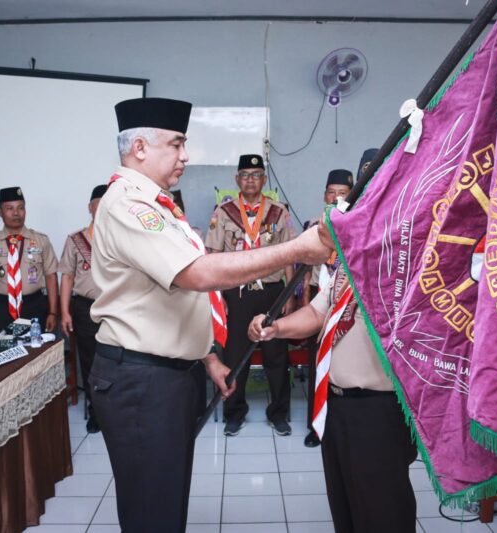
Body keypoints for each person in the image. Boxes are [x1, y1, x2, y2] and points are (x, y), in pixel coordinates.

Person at [89, 97, 333, 533]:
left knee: (166, 500)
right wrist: (298, 249)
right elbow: (198, 274)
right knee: (152, 511)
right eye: (178, 144)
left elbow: (167, 300)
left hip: (169, 373)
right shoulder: (129, 204)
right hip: (143, 380)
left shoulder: (158, 204)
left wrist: (208, 358)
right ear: (140, 147)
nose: (186, 155)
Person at [249, 267, 417, 533]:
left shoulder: (405, 262)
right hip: (335, 404)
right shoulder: (348, 262)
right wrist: (276, 328)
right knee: (345, 507)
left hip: (378, 409)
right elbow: (318, 312)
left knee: (383, 512)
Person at [204, 154, 297, 437]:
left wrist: (290, 294)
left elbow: (290, 256)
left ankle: (279, 413)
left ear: (264, 179)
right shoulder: (224, 213)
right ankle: (235, 413)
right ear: (237, 180)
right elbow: (213, 257)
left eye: (256, 174)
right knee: (235, 355)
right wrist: (217, 298)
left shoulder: (279, 212)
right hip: (236, 293)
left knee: (276, 356)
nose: (250, 180)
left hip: (271, 292)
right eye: (245, 175)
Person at [299, 168, 354, 448]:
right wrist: (305, 301)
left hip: (349, 310)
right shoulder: (314, 225)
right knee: (316, 365)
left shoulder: (357, 224)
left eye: (342, 193)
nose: (335, 197)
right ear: (324, 195)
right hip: (320, 305)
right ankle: (315, 426)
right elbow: (305, 270)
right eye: (331, 192)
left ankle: (336, 422)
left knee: (341, 367)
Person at [0, 187, 59, 338]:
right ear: (0, 213)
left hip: (34, 306)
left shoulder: (41, 240)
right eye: (9, 208)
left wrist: (53, 312)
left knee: (35, 355)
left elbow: (51, 277)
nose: (16, 213)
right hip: (1, 308)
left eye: (21, 208)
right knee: (1, 355)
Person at [59, 184, 107, 434]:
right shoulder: (76, 239)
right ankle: (96, 413)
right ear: (90, 207)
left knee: (118, 361)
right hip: (85, 308)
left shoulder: (122, 237)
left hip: (117, 308)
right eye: (99, 204)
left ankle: (115, 412)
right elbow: (66, 276)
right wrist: (65, 312)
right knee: (90, 361)